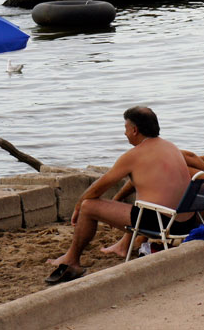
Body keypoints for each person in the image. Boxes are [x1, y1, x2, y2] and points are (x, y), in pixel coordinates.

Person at [45, 107, 194, 283]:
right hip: (187, 221)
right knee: (143, 198)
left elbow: (97, 189)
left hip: (163, 224)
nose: (124, 133)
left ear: (134, 130)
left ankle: (72, 260)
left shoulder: (133, 156)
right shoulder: (171, 147)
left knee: (88, 206)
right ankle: (121, 246)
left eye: (125, 128)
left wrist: (78, 206)